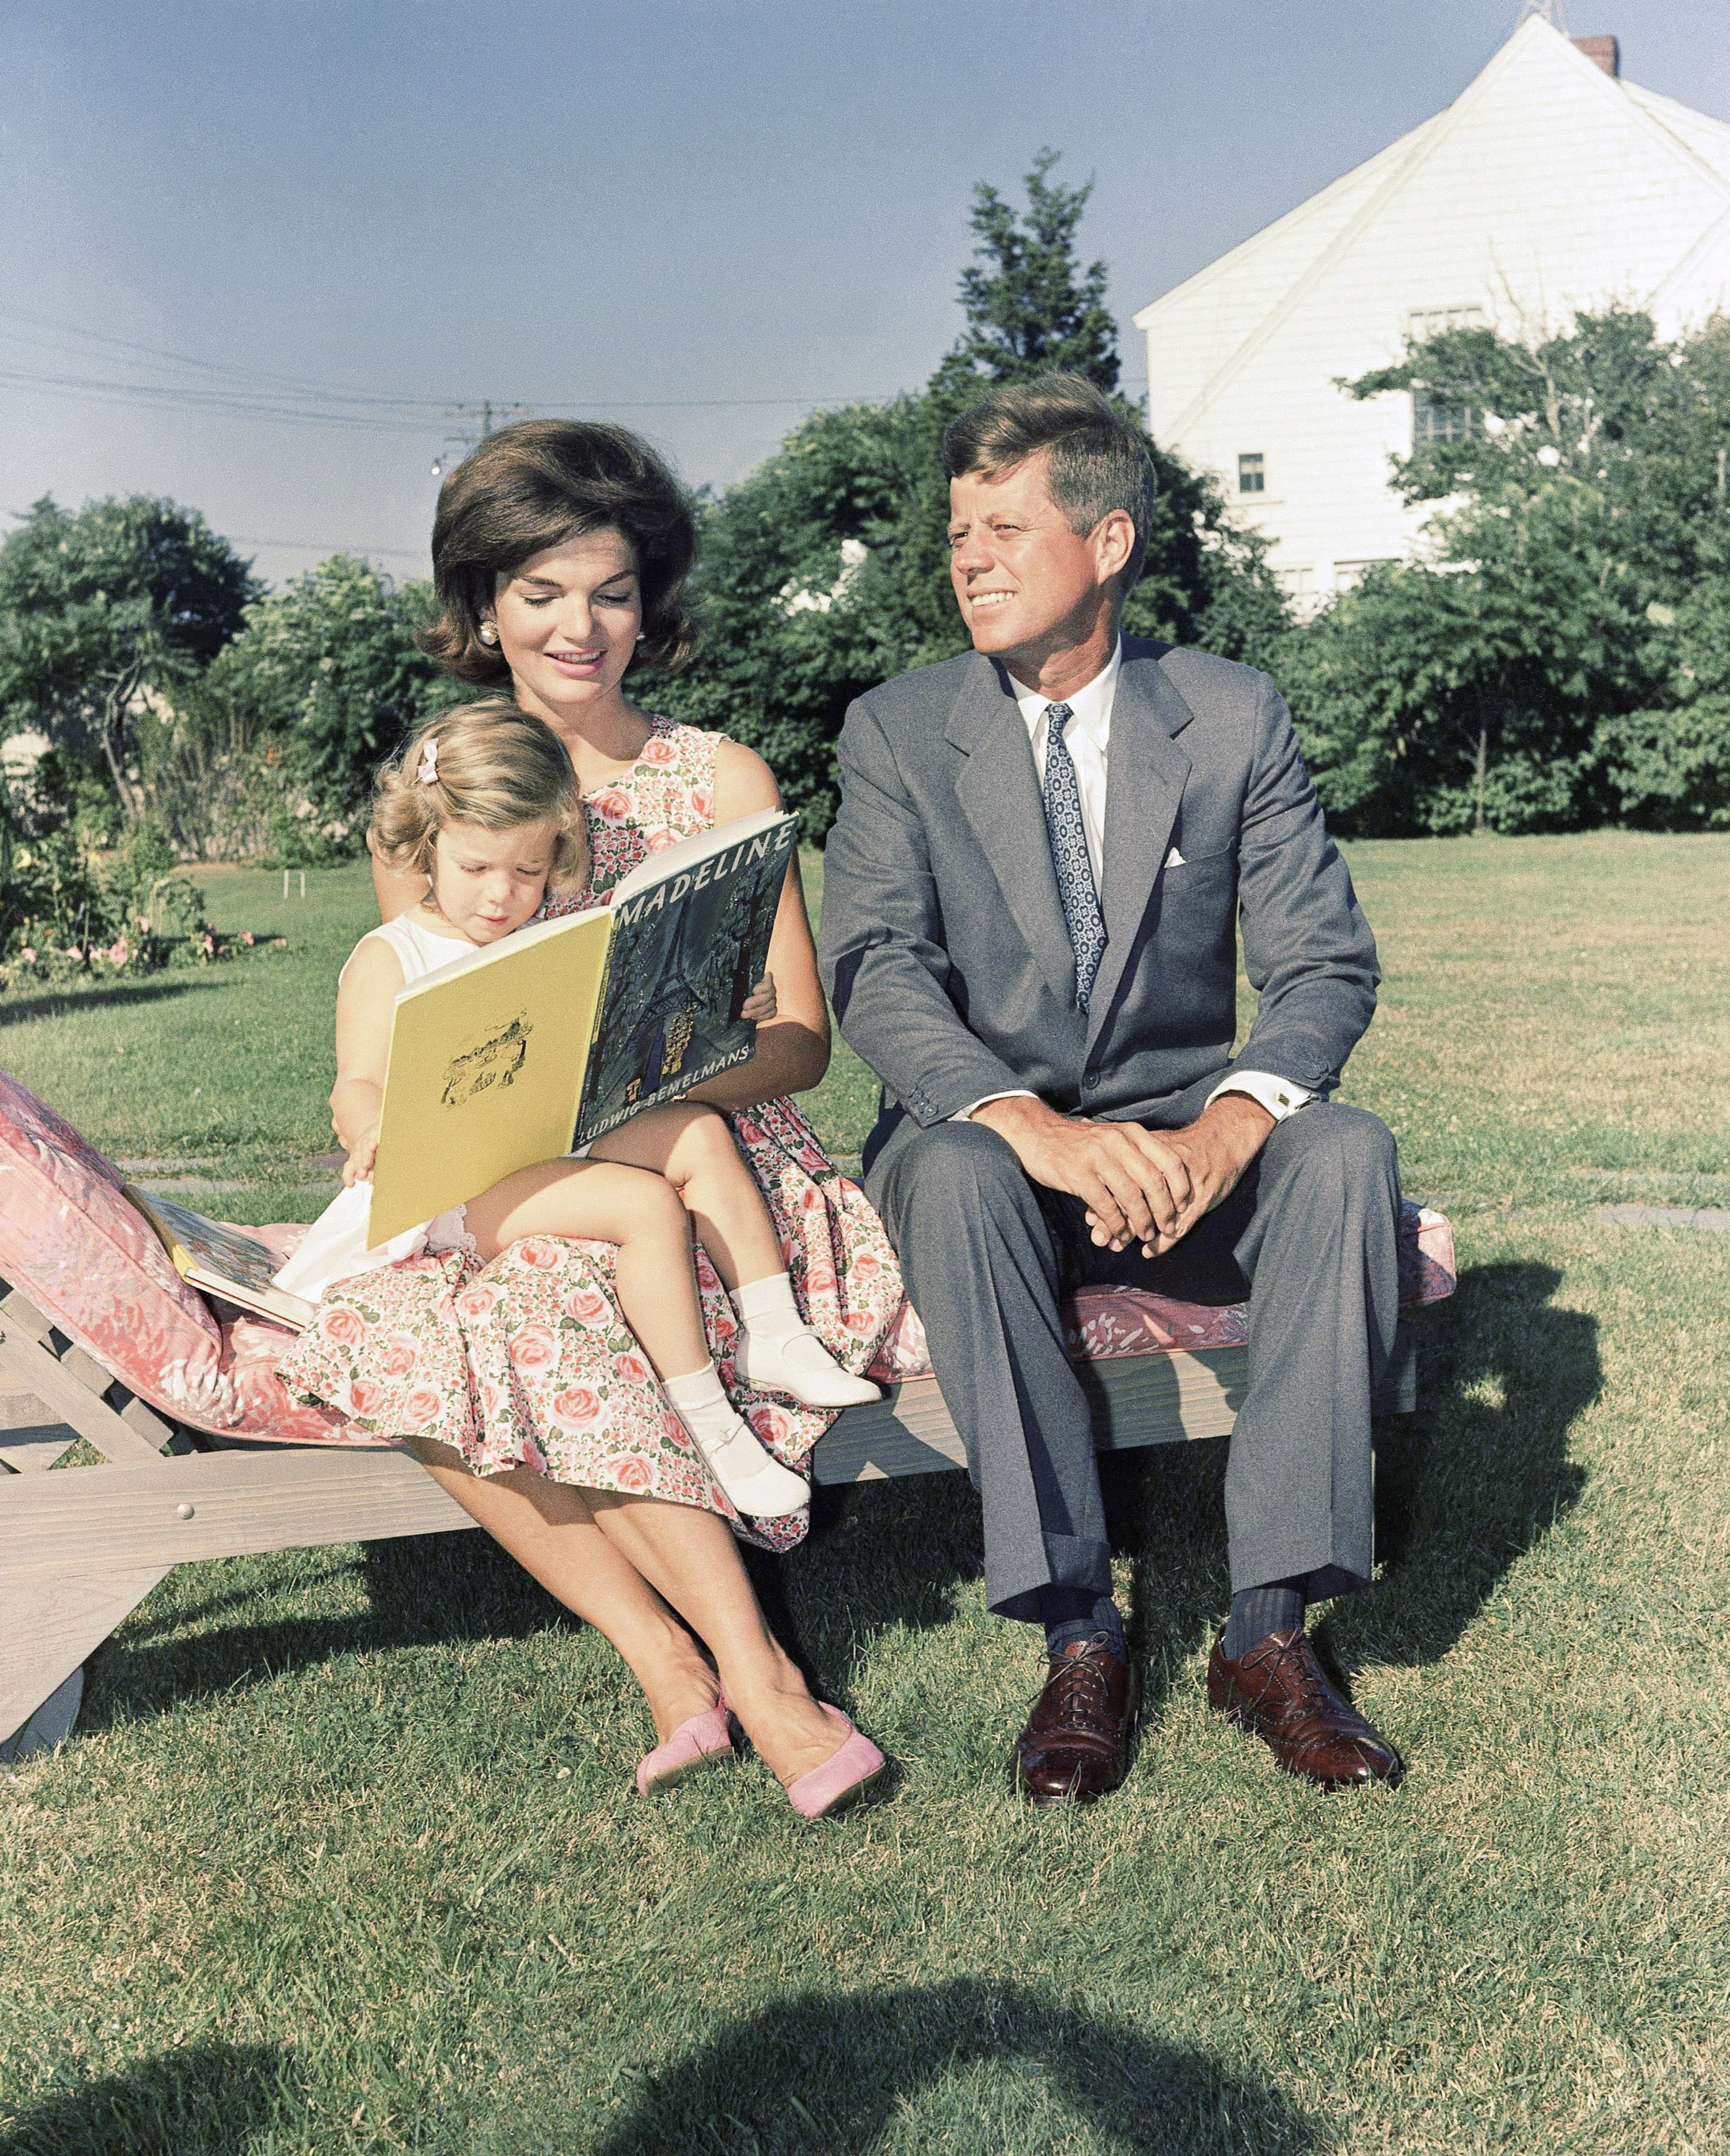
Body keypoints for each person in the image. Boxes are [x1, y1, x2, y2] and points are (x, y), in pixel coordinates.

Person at [281, 421, 901, 1818]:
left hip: (702, 1159)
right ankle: (673, 1660)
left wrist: (652, 1076)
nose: (578, 626)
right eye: (540, 592)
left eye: (610, 590)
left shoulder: (719, 780)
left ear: (650, 604)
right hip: (507, 1171)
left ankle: (763, 1679)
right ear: (482, 609)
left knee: (551, 1292)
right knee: (405, 1324)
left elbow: (800, 1042)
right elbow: (416, 1020)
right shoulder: (440, 796)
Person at [819, 374, 1404, 1805]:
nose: (971, 557)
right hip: (995, 1149)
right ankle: (1080, 1630)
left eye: (1008, 527)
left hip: (1182, 1140)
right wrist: (1032, 1127)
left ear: (1111, 541)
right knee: (952, 1173)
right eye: (959, 530)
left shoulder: (1229, 714)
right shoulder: (898, 731)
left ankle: (1269, 1630)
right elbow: (879, 969)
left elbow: (1323, 966)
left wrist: (1228, 1125)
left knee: (1345, 1154)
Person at [278, 699, 879, 1523]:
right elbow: (356, 1081)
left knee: (699, 1133)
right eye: (478, 869)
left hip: (551, 1134)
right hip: (453, 1185)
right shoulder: (393, 957)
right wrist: (371, 1126)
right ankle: (711, 1428)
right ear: (427, 847)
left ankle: (773, 1332)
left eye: (528, 873)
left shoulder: (546, 941)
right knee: (642, 1205)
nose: (502, 896)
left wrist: (724, 1009)